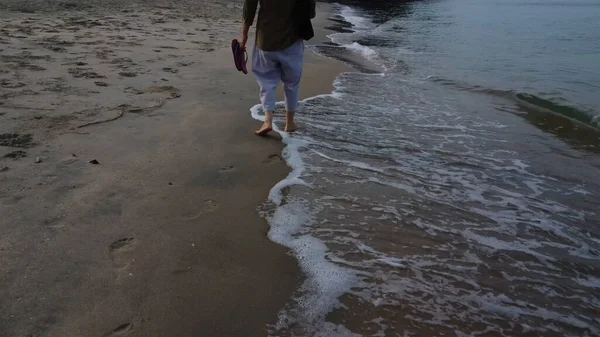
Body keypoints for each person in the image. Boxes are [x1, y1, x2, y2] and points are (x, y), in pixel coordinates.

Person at [241, 0, 316, 135]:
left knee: (266, 81)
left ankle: (268, 121)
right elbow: (310, 11)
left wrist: (244, 34)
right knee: (292, 83)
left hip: (266, 38)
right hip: (292, 38)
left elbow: (249, 5)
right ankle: (289, 123)